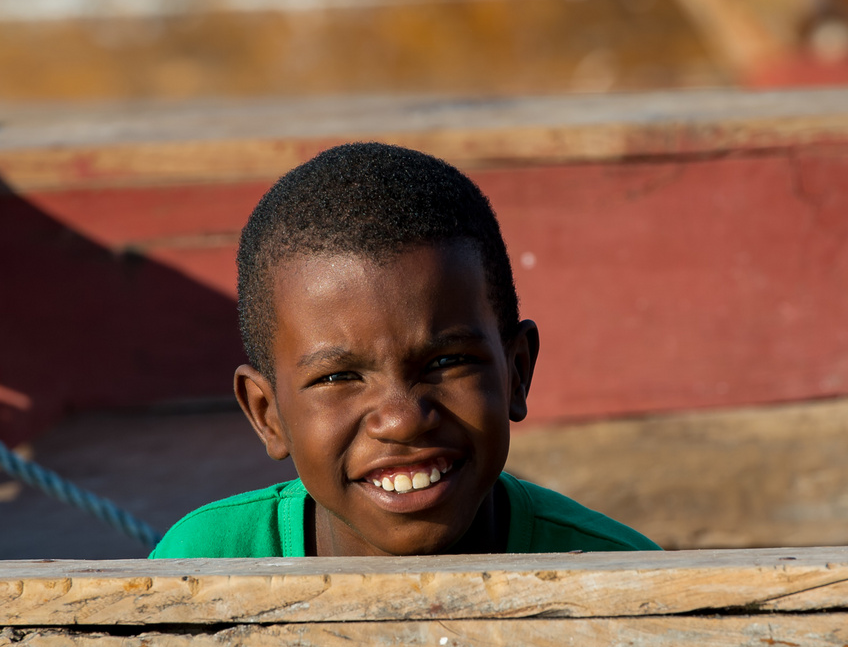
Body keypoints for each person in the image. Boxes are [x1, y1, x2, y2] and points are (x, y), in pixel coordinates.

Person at [150, 143, 658, 558]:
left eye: (445, 362)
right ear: (268, 414)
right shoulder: (203, 563)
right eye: (338, 377)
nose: (402, 420)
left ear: (516, 373)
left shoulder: (625, 577)